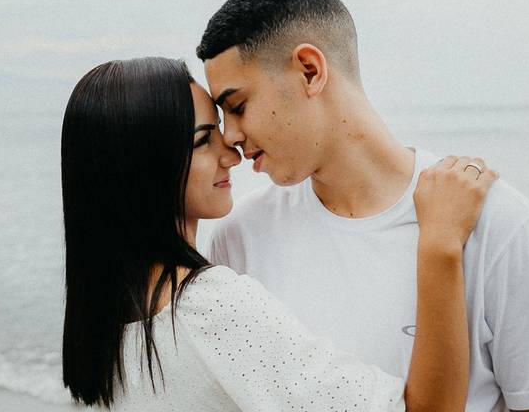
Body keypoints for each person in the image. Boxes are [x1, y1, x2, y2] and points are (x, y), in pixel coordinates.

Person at [198, 0, 529, 412]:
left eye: (237, 106)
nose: (231, 136)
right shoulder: (237, 240)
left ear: (310, 71)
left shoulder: (497, 222)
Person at [60, 56, 498, 410]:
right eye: (202, 140)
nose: (231, 151)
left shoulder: (101, 331)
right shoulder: (210, 309)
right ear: (142, 172)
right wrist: (440, 243)